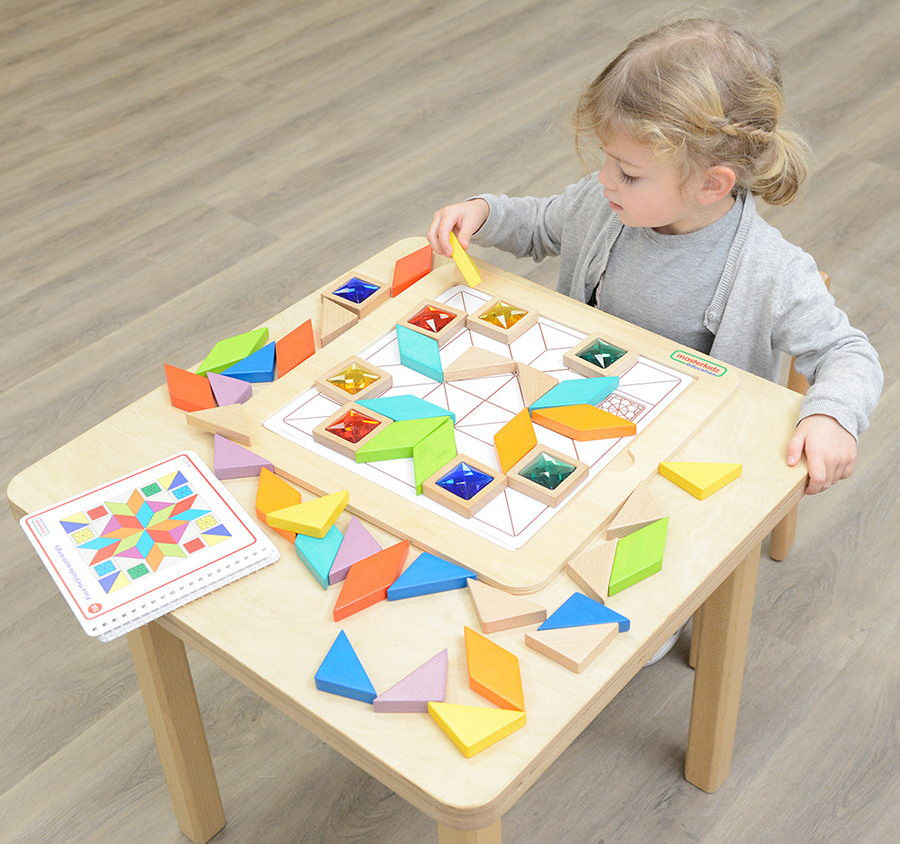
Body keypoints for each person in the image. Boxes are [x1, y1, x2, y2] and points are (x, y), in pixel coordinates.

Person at [427, 16, 882, 499]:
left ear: (711, 184)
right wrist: (485, 212)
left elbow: (847, 353)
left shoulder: (772, 271)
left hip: (684, 458)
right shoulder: (601, 204)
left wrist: (831, 416)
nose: (605, 178)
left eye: (628, 172)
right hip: (574, 412)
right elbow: (540, 224)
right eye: (607, 158)